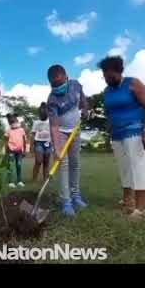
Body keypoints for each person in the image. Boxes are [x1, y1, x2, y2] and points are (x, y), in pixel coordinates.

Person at [98, 56, 145, 222]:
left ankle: (140, 209)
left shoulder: (133, 83)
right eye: (105, 76)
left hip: (135, 132)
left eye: (110, 76)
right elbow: (109, 113)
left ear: (119, 71)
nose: (107, 79)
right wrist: (109, 131)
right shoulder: (107, 91)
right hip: (116, 135)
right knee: (124, 169)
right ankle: (128, 201)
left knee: (138, 168)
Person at [46, 64, 89, 217]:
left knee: (75, 163)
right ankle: (66, 201)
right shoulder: (51, 100)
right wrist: (57, 149)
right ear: (50, 83)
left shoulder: (76, 85)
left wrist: (85, 109)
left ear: (67, 77)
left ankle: (76, 195)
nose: (57, 87)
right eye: (54, 85)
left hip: (75, 130)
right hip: (61, 133)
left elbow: (83, 100)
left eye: (60, 83)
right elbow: (54, 126)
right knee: (63, 165)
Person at [5, 113, 27, 188]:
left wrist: (24, 150)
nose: (12, 121)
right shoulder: (8, 130)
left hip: (19, 151)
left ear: (16, 120)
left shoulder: (21, 130)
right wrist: (6, 151)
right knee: (10, 166)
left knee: (19, 165)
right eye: (10, 120)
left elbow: (24, 140)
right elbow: (6, 141)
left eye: (13, 119)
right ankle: (10, 182)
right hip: (11, 151)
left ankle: (19, 181)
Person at [31, 102, 52, 182]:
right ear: (40, 112)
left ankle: (45, 179)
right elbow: (32, 134)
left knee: (46, 162)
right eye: (42, 110)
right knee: (39, 161)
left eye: (45, 110)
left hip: (48, 143)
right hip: (38, 143)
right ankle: (34, 179)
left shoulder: (50, 121)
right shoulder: (36, 122)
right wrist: (32, 147)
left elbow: (53, 132)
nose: (43, 112)